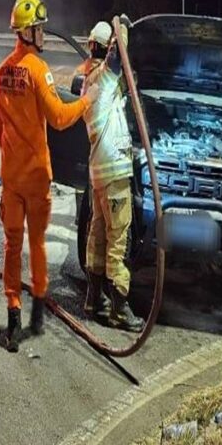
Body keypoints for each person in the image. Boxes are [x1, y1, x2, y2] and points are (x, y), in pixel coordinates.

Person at [0, 0, 94, 352]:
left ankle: (12, 315)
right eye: (41, 29)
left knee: (11, 245)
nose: (45, 35)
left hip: (11, 175)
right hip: (36, 175)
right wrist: (85, 102)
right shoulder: (39, 69)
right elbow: (59, 118)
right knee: (35, 243)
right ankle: (36, 309)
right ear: (29, 32)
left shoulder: (0, 72)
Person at [80, 20, 143, 331]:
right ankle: (119, 308)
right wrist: (124, 31)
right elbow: (117, 60)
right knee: (119, 238)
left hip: (98, 173)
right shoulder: (103, 78)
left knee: (98, 235)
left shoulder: (88, 82)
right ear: (105, 48)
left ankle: (94, 300)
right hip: (115, 172)